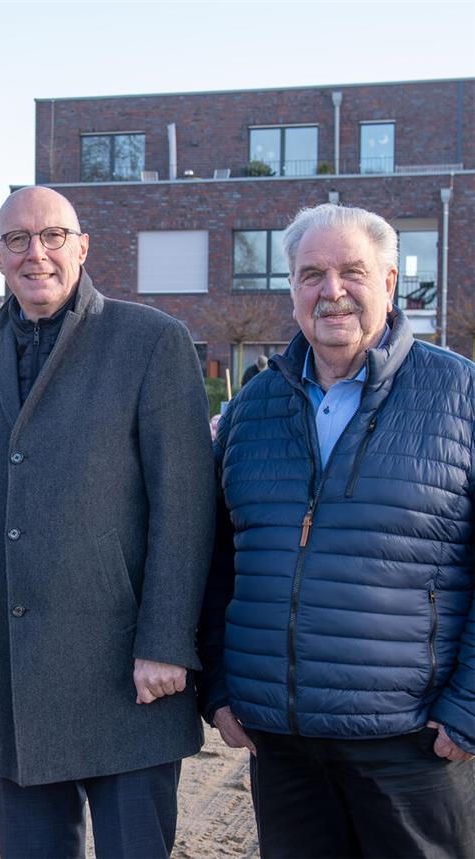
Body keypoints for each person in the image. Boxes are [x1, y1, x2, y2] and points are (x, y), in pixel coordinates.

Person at [200, 202, 475, 858]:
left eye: (352, 271)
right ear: (292, 290)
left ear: (388, 282)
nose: (332, 290)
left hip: (411, 744)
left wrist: (469, 705)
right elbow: (214, 560)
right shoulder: (253, 409)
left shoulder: (461, 396)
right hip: (284, 743)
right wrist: (220, 684)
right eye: (311, 274)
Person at [0, 186, 215, 858]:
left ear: (83, 246)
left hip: (130, 675)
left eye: (53, 236)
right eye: (17, 239)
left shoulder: (151, 341)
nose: (36, 252)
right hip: (15, 678)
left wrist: (167, 640)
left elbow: (184, 504)